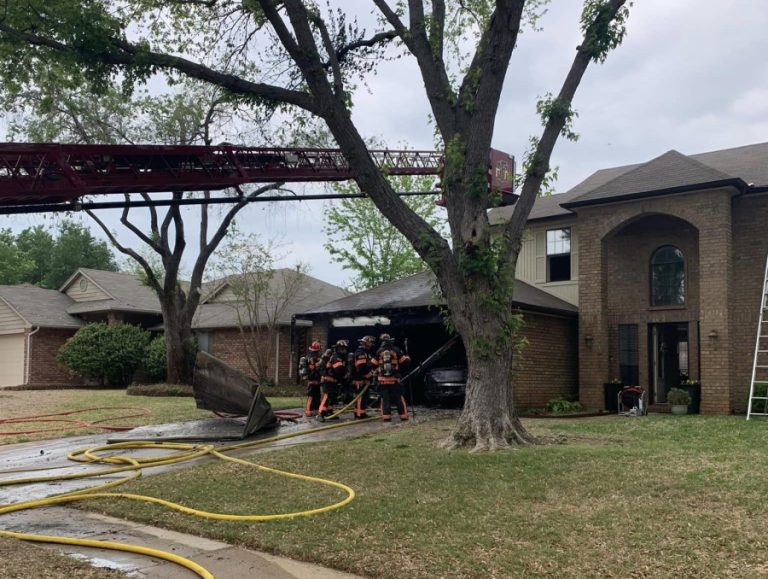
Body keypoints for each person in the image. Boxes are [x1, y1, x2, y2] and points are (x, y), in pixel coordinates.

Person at [372, 333, 411, 421]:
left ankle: (386, 417)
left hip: (382, 381)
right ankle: (403, 416)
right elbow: (405, 363)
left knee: (385, 399)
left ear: (381, 341)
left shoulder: (379, 351)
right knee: (398, 398)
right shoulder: (396, 350)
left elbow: (373, 364)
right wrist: (408, 358)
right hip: (395, 380)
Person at [318, 339, 350, 420]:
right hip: (328, 380)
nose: (344, 350)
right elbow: (339, 369)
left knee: (332, 397)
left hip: (333, 381)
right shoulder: (336, 356)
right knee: (327, 397)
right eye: (342, 348)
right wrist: (346, 374)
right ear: (338, 348)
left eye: (345, 348)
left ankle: (329, 412)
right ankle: (320, 414)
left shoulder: (341, 357)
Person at [350, 335, 376, 419]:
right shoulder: (360, 352)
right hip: (359, 379)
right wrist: (369, 373)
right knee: (360, 397)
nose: (372, 344)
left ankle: (362, 413)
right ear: (366, 343)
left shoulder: (366, 352)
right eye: (370, 342)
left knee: (364, 397)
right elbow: (361, 367)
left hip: (364, 379)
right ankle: (358, 415)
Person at [298, 341, 324, 418]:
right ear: (318, 349)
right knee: (312, 396)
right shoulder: (316, 358)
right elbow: (315, 368)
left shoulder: (308, 357)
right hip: (314, 381)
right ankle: (309, 411)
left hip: (313, 381)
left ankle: (313, 411)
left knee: (315, 396)